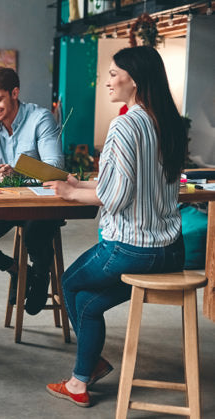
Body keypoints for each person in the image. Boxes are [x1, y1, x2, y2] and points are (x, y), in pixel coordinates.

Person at [44, 46, 186, 407]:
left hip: (131, 251)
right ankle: (83, 374)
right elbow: (129, 184)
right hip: (170, 252)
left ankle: (84, 373)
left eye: (112, 73)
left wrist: (67, 193)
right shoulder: (165, 121)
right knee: (89, 304)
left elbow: (117, 196)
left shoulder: (125, 124)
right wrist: (81, 185)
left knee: (70, 282)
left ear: (133, 81)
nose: (106, 81)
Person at [0, 67, 63, 314]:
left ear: (14, 93)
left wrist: (19, 171)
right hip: (7, 203)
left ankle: (40, 275)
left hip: (41, 204)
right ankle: (17, 270)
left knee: (34, 234)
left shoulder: (41, 119)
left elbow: (56, 166)